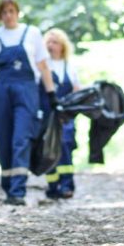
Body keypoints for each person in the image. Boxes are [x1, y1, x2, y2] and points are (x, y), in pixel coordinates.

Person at [0, 0, 58, 206]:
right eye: (4, 12)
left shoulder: (32, 34)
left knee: (21, 138)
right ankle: (8, 188)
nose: (8, 16)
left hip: (27, 90)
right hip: (2, 91)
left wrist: (51, 94)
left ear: (17, 12)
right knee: (3, 138)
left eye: (11, 11)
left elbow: (43, 66)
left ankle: (18, 190)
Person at [43, 27, 82, 200]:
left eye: (55, 42)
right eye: (48, 42)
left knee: (65, 145)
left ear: (62, 45)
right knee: (49, 148)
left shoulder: (70, 66)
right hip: (48, 113)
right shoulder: (42, 65)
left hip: (66, 115)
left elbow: (76, 90)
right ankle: (52, 186)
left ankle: (67, 184)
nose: (51, 45)